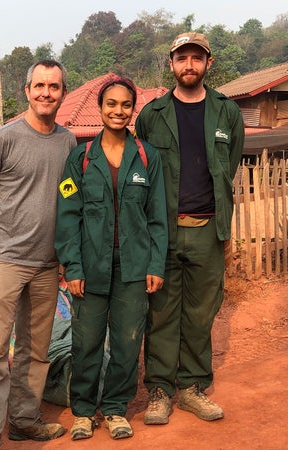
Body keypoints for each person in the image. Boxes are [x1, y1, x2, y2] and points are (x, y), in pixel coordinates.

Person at [135, 32, 245, 425]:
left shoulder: (227, 112)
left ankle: (192, 387)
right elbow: (142, 173)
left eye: (196, 58)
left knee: (201, 313)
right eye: (182, 58)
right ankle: (161, 391)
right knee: (161, 312)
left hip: (207, 231)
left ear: (208, 64)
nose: (189, 65)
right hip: (162, 231)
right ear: (171, 63)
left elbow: (227, 168)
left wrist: (221, 223)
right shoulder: (152, 114)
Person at [0, 60, 77, 450]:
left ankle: (24, 420)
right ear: (27, 91)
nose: (47, 93)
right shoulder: (5, 138)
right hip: (6, 262)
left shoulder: (67, 141)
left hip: (48, 265)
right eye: (40, 86)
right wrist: (3, 233)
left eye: (54, 86)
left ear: (63, 92)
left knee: (36, 350)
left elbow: (66, 195)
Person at [55, 77, 168, 441]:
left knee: (127, 342)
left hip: (134, 268)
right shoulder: (81, 157)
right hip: (90, 267)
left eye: (125, 105)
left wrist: (154, 264)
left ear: (132, 110)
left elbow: (157, 217)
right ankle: (85, 412)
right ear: (100, 108)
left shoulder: (148, 156)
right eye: (111, 104)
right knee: (85, 342)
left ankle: (117, 408)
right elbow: (68, 214)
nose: (118, 111)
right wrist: (72, 265)